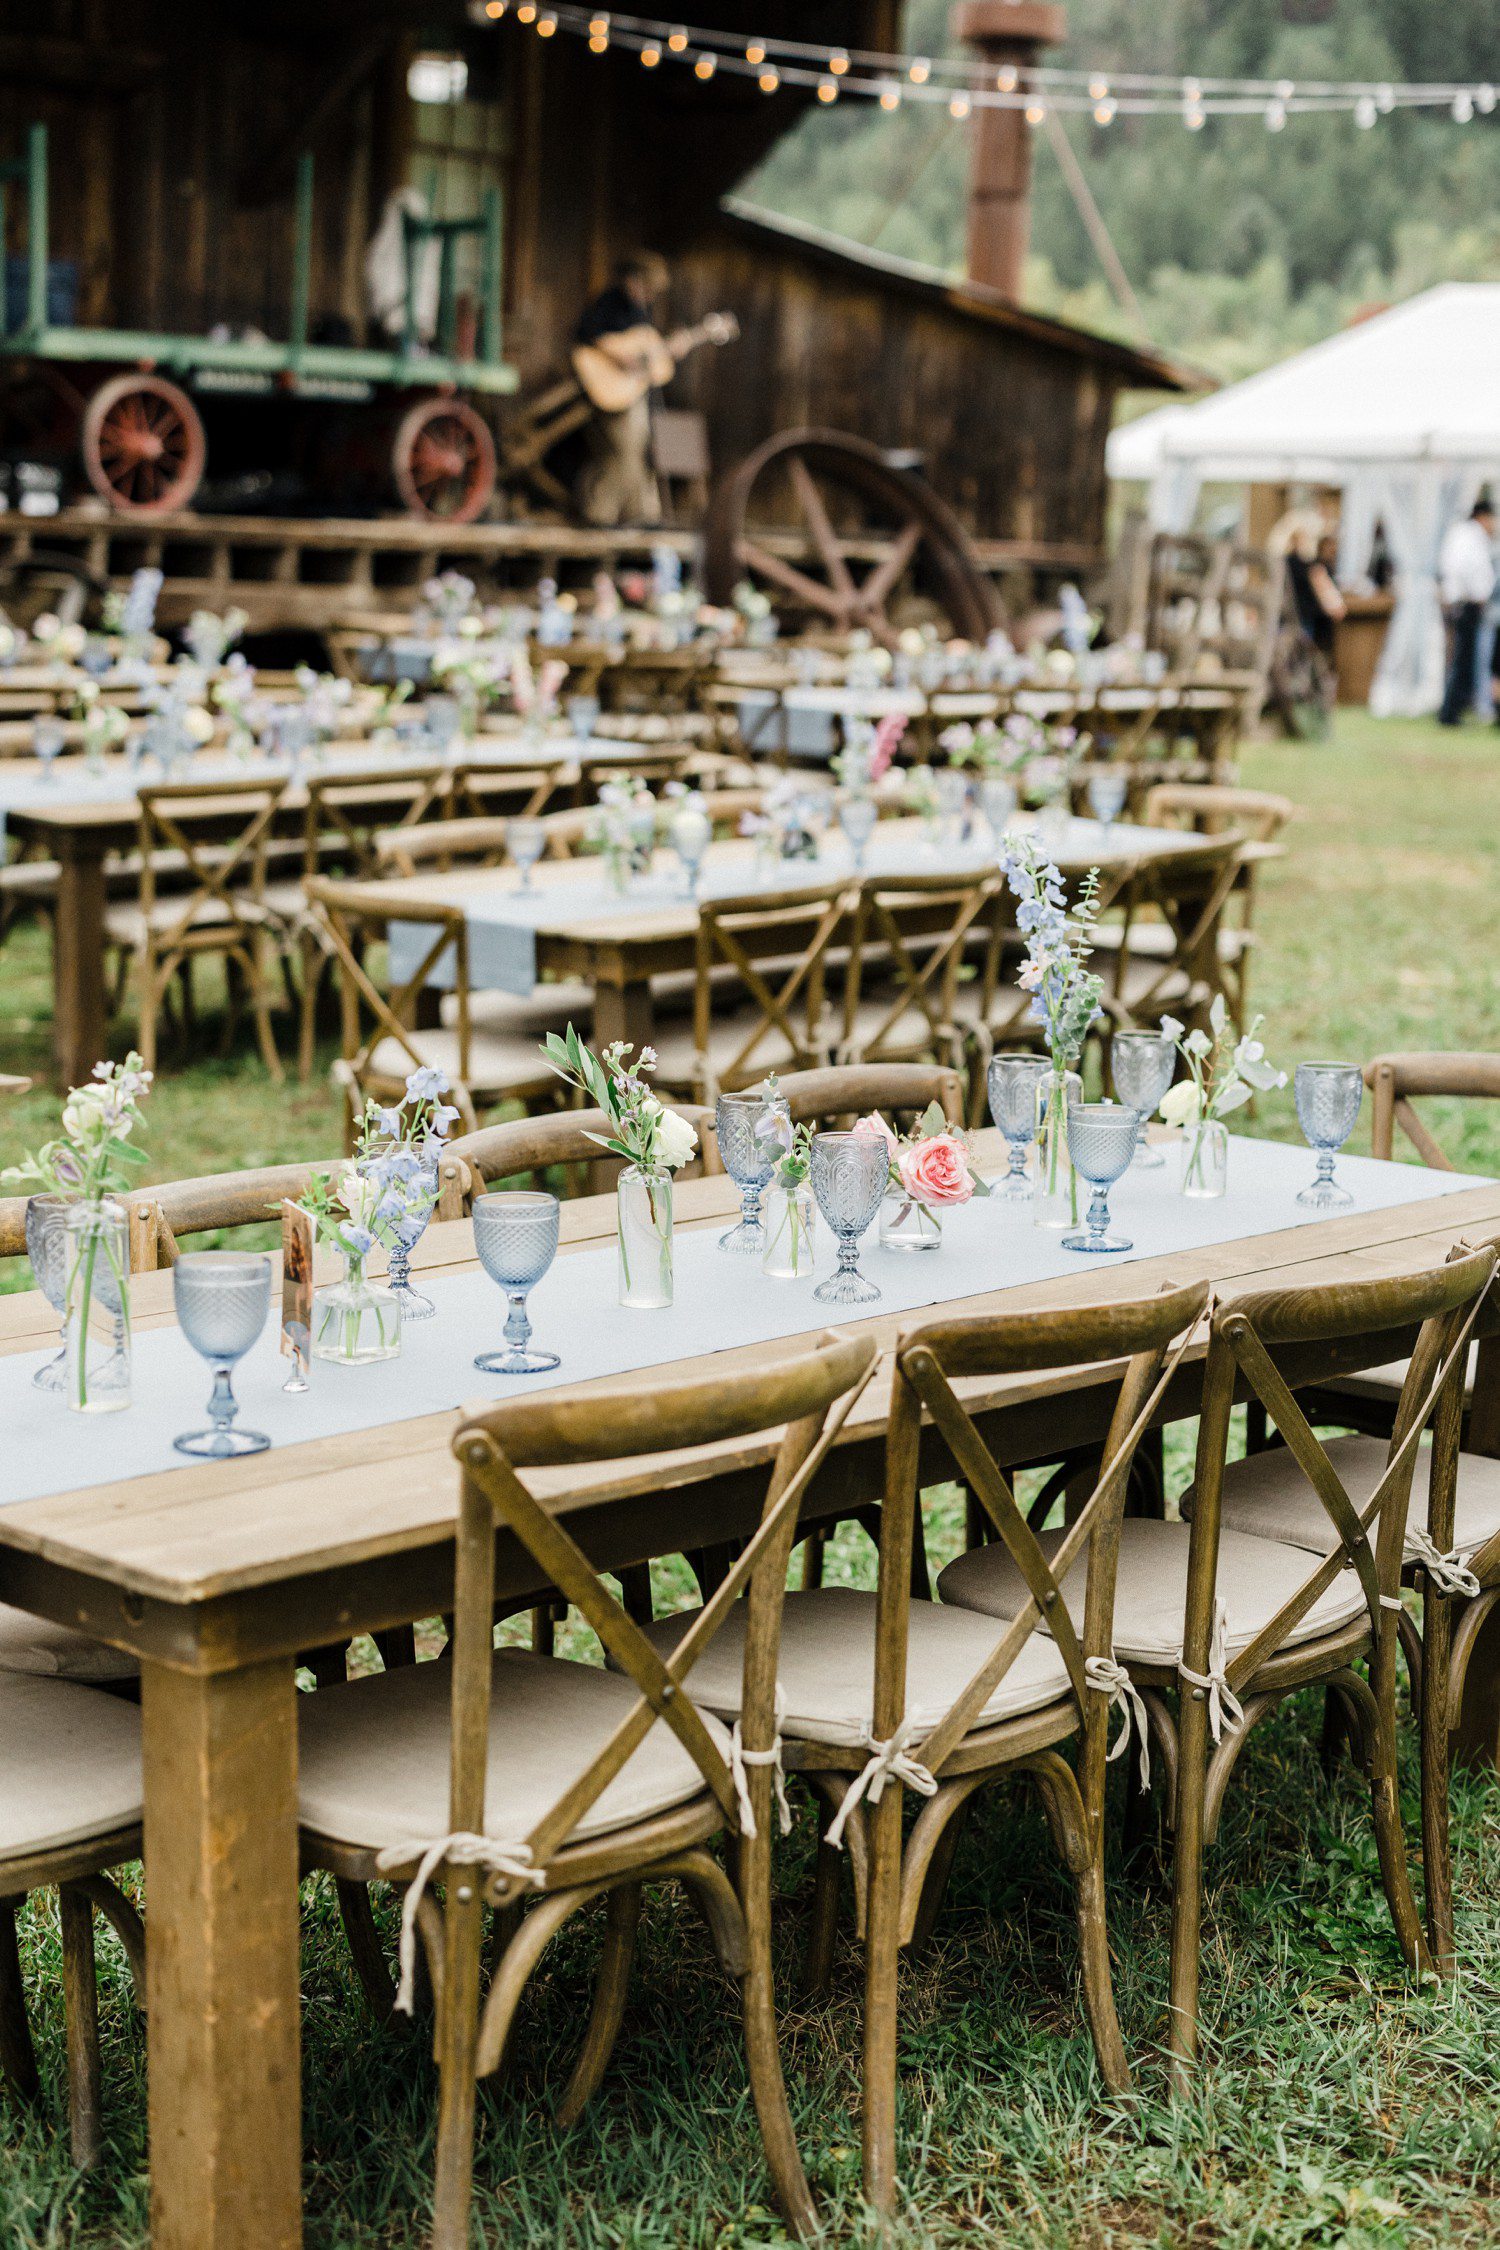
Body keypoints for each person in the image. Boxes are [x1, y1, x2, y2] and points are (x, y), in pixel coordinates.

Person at [573, 251, 671, 528]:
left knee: (643, 450)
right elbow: (588, 335)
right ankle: (600, 514)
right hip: (608, 391)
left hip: (634, 395)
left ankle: (640, 515)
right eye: (647, 288)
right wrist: (622, 358)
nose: (650, 296)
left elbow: (648, 356)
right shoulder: (610, 302)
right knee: (622, 451)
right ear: (633, 280)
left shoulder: (643, 312)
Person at [1438, 498, 1496, 726]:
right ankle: (1451, 713)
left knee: (1463, 660)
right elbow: (1464, 570)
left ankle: (1455, 710)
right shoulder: (1469, 537)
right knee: (1462, 661)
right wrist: (1477, 595)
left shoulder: (1465, 535)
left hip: (1465, 604)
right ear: (1483, 516)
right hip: (1466, 605)